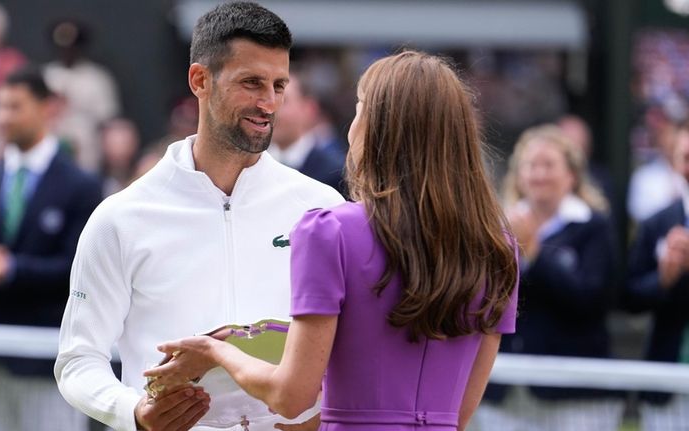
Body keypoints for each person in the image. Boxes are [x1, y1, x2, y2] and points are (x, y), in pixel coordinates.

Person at [144, 50, 519, 431]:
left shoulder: (330, 230)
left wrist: (216, 352)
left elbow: (290, 396)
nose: (351, 126)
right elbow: (460, 413)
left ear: (377, 127)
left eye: (359, 109)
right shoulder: (498, 247)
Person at [54, 3, 344, 431]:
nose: (269, 103)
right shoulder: (120, 217)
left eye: (279, 85)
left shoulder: (322, 207)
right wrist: (133, 412)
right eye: (251, 83)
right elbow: (78, 359)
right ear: (200, 80)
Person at [0, 66, 102, 431]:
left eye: (14, 106)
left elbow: (79, 271)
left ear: (47, 108)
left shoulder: (81, 186)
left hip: (47, 363)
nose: (2, 116)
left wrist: (11, 269)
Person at [478, 124, 621, 431]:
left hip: (575, 395)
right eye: (531, 165)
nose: (539, 174)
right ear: (518, 174)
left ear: (572, 175)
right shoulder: (495, 228)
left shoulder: (594, 227)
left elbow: (591, 301)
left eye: (549, 165)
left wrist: (536, 255)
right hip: (507, 392)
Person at [627, 118, 689, 430]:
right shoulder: (657, 223)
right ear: (675, 162)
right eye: (687, 157)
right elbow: (630, 295)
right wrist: (664, 277)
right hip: (668, 376)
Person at [43, 18, 121, 173]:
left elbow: (107, 120)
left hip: (87, 148)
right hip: (51, 144)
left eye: (72, 47)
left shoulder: (97, 77)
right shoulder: (46, 75)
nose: (67, 51)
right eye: (62, 47)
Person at [268, 72, 345, 195]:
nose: (272, 111)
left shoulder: (335, 173)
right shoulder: (252, 168)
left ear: (309, 108)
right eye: (269, 101)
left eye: (283, 101)